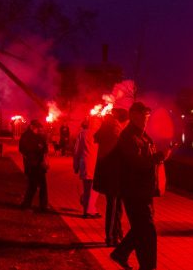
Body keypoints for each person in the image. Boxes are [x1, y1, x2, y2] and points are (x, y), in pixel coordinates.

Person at [110, 102, 172, 270]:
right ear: (132, 116)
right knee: (148, 233)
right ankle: (147, 267)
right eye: (141, 117)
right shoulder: (128, 137)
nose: (145, 120)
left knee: (141, 228)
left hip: (144, 191)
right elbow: (137, 163)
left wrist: (160, 156)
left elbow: (146, 160)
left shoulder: (143, 136)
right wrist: (160, 156)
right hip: (134, 192)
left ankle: (120, 253)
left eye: (146, 117)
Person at [93, 108, 129, 247]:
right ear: (123, 120)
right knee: (114, 206)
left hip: (110, 174)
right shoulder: (114, 131)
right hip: (113, 174)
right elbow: (118, 153)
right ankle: (111, 237)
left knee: (115, 205)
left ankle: (117, 233)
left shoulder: (108, 128)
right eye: (127, 121)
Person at [74, 116, 102, 218]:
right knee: (93, 190)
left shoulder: (82, 133)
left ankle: (90, 210)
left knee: (88, 189)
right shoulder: (99, 134)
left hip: (86, 165)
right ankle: (89, 211)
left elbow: (77, 150)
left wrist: (76, 164)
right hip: (94, 166)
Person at [19, 119, 49, 212]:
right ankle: (26, 205)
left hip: (40, 166)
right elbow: (23, 150)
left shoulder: (40, 136)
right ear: (31, 126)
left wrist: (45, 161)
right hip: (32, 166)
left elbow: (45, 149)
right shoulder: (26, 136)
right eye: (36, 127)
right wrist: (35, 153)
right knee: (33, 186)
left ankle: (43, 206)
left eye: (38, 127)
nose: (38, 129)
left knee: (43, 186)